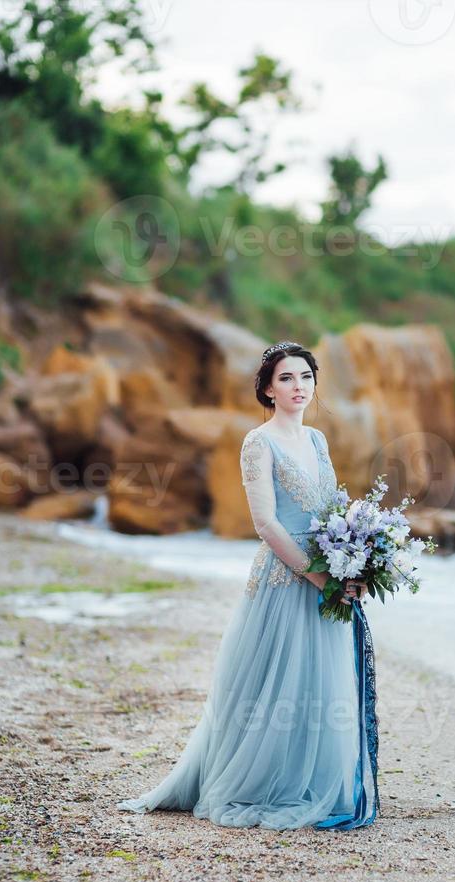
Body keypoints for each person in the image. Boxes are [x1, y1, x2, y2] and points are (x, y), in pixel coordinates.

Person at [117, 341, 379, 830]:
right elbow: (267, 524)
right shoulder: (258, 443)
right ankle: (261, 783)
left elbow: (331, 514)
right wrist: (319, 576)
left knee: (318, 683)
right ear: (266, 388)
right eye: (285, 378)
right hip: (285, 578)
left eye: (305, 376)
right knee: (276, 685)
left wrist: (354, 564)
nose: (298, 386)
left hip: (325, 574)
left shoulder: (319, 441)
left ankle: (311, 779)